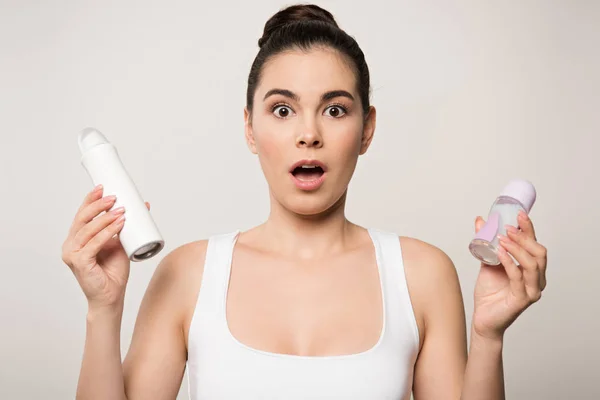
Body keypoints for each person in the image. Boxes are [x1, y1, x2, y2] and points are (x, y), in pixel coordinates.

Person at [61, 4, 548, 400]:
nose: (308, 134)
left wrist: (487, 338)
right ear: (250, 128)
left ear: (367, 129)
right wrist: (103, 311)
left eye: (335, 110)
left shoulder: (423, 275)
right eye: (282, 110)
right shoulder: (187, 275)